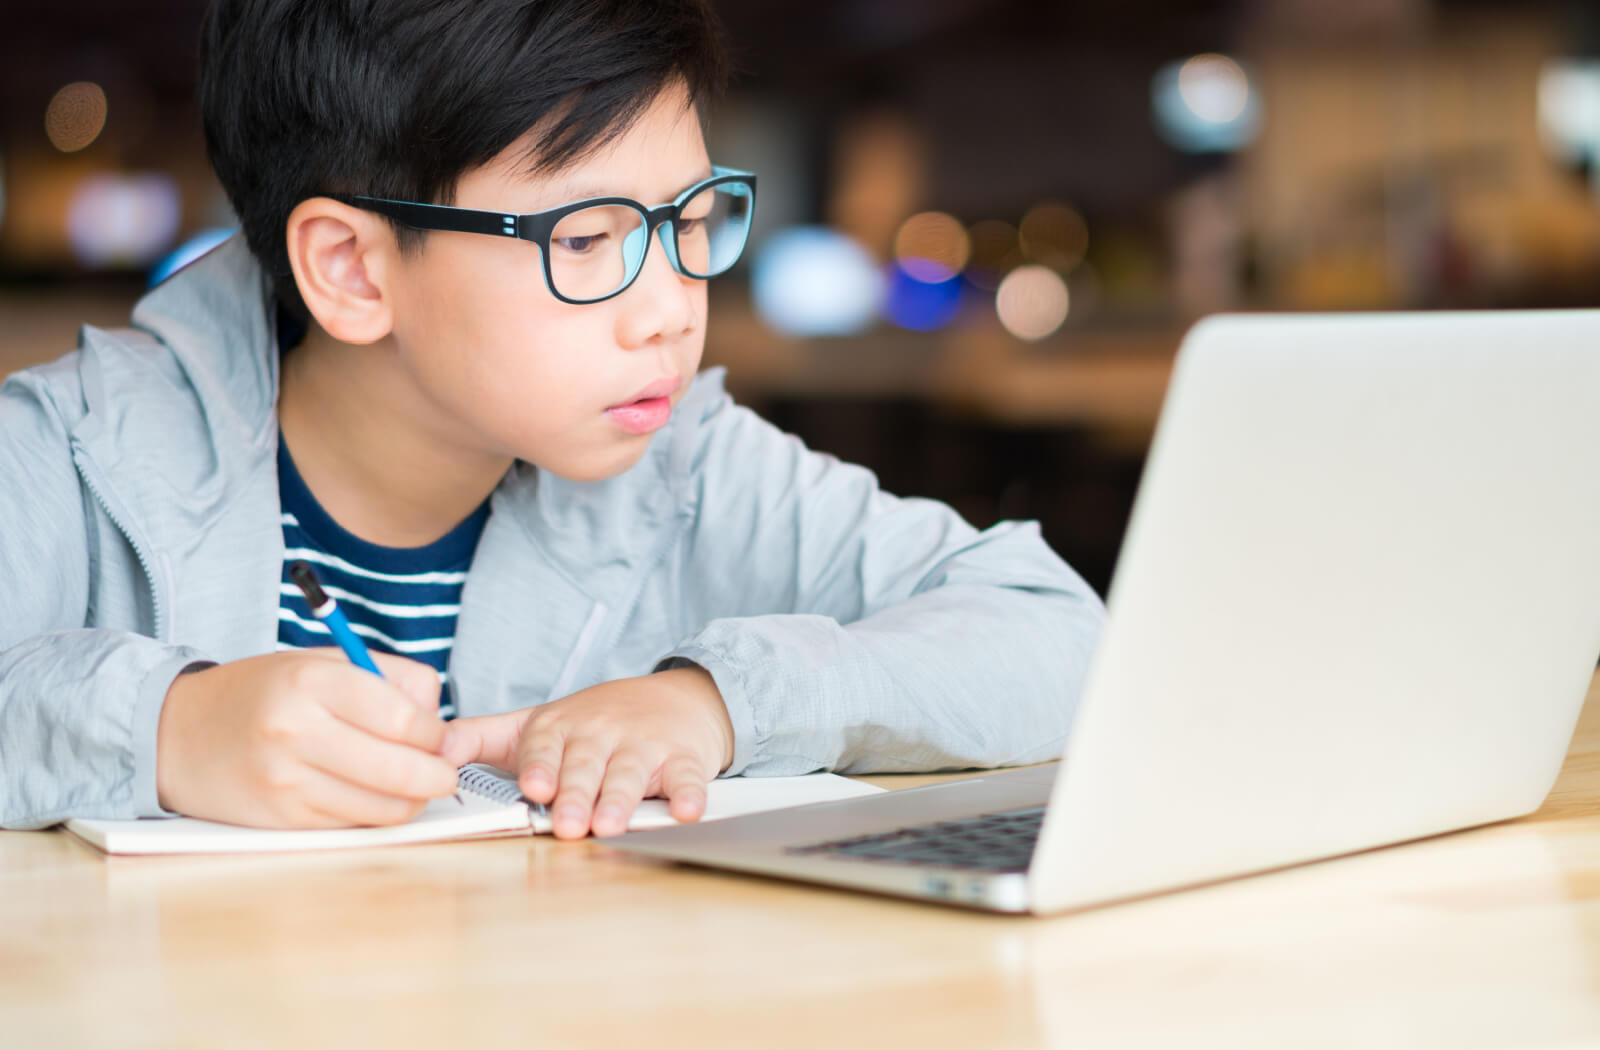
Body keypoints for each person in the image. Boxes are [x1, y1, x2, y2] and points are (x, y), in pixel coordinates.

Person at [0, 0, 1104, 839]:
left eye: (692, 218)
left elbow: (1059, 636)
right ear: (350, 269)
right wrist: (160, 731)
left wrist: (719, 704)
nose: (672, 309)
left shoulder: (683, 466)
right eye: (586, 239)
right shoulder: (66, 455)